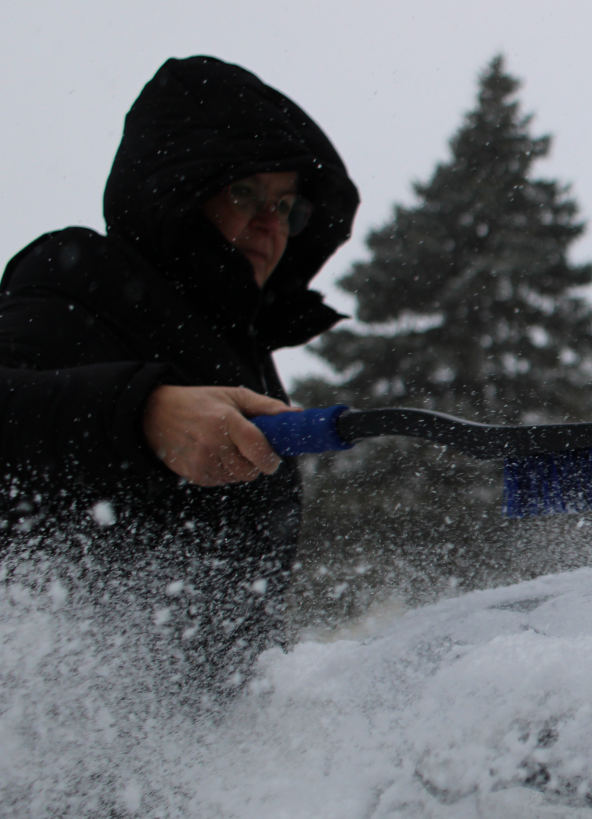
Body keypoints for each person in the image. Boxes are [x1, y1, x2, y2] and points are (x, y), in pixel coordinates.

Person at [0, 56, 359, 697]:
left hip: (191, 763)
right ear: (179, 190)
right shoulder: (86, 280)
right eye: (244, 193)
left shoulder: (239, 351)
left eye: (287, 205)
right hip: (44, 739)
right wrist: (144, 414)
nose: (270, 224)